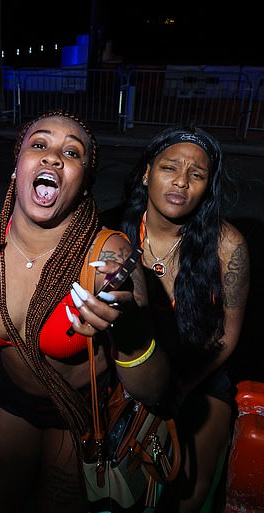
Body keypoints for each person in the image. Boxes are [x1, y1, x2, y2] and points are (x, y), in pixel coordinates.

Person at [0, 109, 172, 513]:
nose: (52, 157)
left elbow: (154, 391)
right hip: (8, 405)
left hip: (78, 418)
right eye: (39, 144)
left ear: (84, 183)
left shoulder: (110, 257)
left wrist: (132, 330)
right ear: (18, 165)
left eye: (72, 153)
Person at [117, 126, 250, 513]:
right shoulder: (113, 231)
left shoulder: (228, 245)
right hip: (126, 371)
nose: (181, 181)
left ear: (208, 186)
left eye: (197, 174)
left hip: (198, 376)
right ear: (147, 172)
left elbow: (227, 336)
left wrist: (180, 390)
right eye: (170, 167)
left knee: (187, 492)